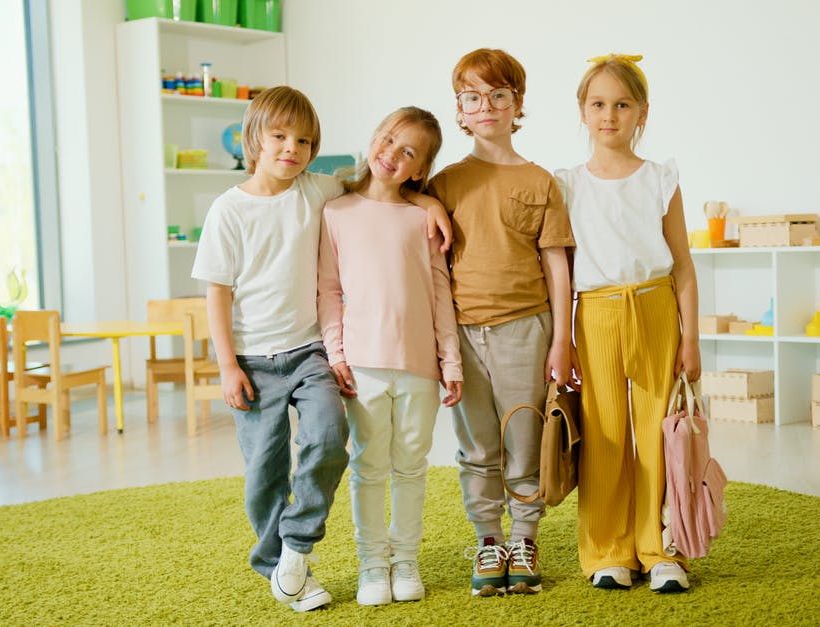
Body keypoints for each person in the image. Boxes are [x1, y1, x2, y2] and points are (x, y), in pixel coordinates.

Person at [191, 86, 451, 613]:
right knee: (265, 468)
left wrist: (426, 199)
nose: (292, 147)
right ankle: (281, 567)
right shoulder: (228, 210)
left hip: (310, 351)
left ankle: (298, 542)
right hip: (251, 360)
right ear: (254, 139)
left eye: (305, 139)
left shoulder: (319, 191)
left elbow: (380, 189)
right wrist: (225, 365)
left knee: (332, 437)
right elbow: (215, 292)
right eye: (280, 136)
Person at [427, 48, 576, 597]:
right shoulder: (443, 183)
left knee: (525, 438)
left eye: (498, 95)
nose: (485, 105)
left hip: (526, 329)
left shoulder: (540, 182)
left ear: (518, 105)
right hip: (462, 335)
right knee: (476, 446)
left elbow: (557, 265)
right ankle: (488, 540)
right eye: (472, 97)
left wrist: (563, 338)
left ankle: (524, 537)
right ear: (459, 111)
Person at [554, 54, 702, 593]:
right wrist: (563, 340)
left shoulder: (661, 179)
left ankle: (661, 548)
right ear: (582, 111)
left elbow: (683, 264)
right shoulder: (566, 183)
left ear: (642, 113)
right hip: (594, 313)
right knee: (605, 433)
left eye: (622, 104)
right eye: (598, 104)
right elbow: (562, 271)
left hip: (656, 307)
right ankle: (606, 550)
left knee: (658, 432)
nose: (609, 115)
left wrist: (692, 336)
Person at [317, 106, 463, 606]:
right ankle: (373, 565)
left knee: (411, 466)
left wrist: (451, 361)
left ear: (420, 170)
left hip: (420, 365)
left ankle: (406, 560)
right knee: (369, 467)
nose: (392, 155)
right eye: (388, 139)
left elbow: (440, 292)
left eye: (408, 152)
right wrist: (336, 353)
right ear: (373, 136)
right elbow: (329, 292)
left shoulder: (423, 215)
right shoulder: (335, 212)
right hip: (362, 365)